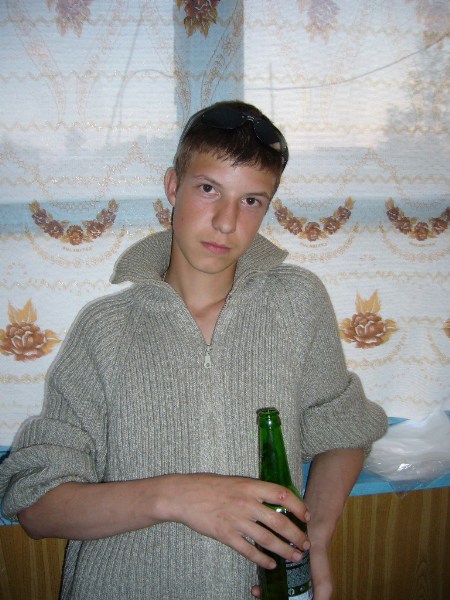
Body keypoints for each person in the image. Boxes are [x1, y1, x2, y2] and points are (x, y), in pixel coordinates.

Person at [0, 100, 387, 600]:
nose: (226, 222)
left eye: (252, 201)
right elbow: (37, 506)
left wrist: (315, 538)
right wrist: (179, 497)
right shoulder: (104, 330)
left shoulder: (297, 303)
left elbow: (344, 429)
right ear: (172, 187)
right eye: (209, 189)